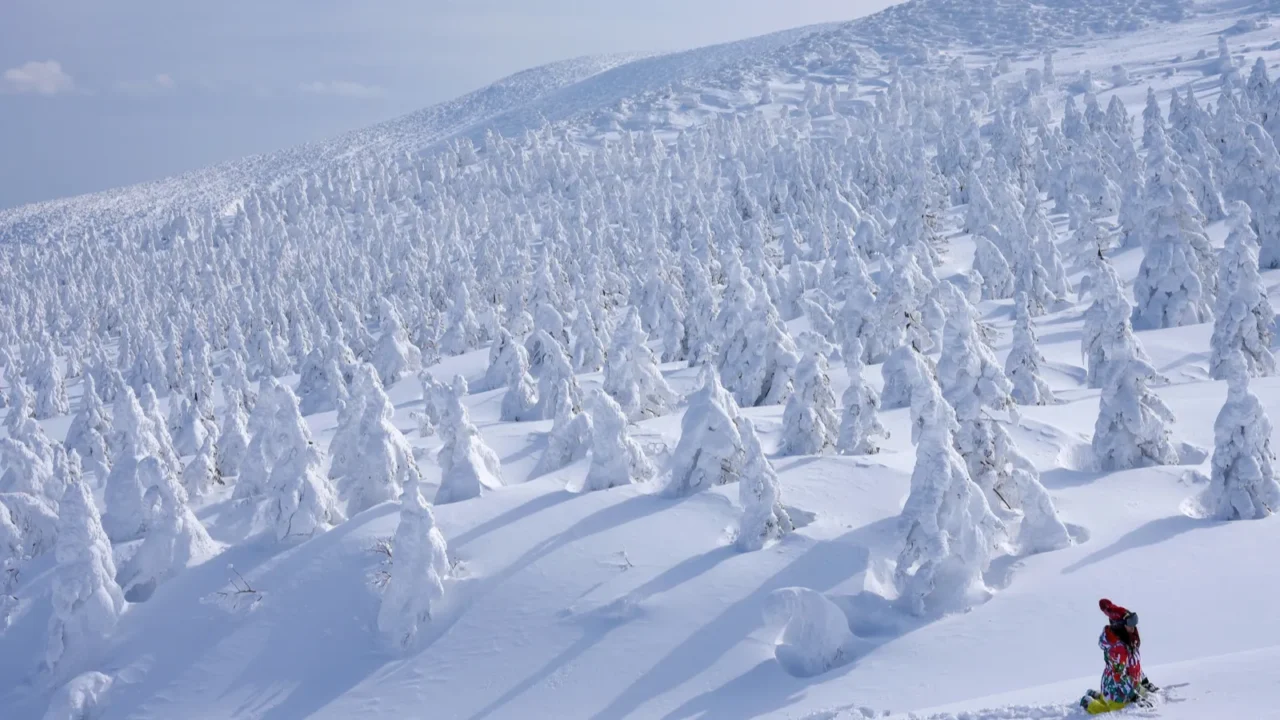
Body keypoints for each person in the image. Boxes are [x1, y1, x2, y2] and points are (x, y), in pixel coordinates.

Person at [1080, 599, 1159, 714]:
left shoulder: (1130, 640)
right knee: (1114, 709)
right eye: (1130, 623)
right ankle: (1088, 703)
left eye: (1134, 621)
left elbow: (1134, 664)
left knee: (1140, 694)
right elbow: (1119, 677)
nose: (1134, 626)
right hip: (1117, 691)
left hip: (1130, 686)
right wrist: (1133, 697)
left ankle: (1098, 695)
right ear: (1119, 626)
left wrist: (1145, 682)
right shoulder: (1118, 649)